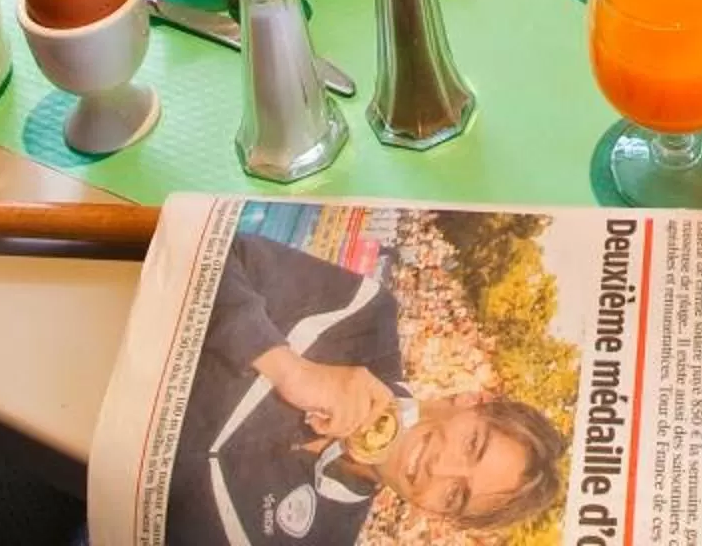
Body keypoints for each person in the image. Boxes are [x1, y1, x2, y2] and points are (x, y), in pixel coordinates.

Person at [168, 232, 568, 544]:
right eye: (472, 445)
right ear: (470, 401)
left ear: (437, 514)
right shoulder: (362, 319)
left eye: (455, 495)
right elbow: (199, 248)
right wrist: (287, 367)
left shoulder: (324, 539)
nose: (439, 469)